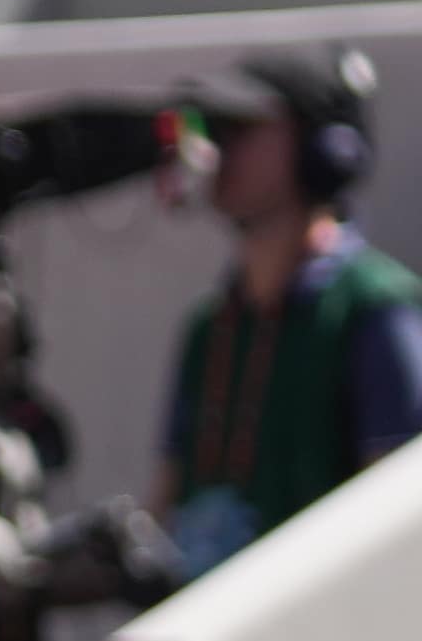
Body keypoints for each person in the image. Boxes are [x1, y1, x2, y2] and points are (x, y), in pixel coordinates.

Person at [161, 51, 421, 573]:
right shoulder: (210, 328)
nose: (217, 150)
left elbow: (402, 523)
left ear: (322, 152)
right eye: (212, 129)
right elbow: (165, 504)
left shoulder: (372, 307)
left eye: (242, 129)